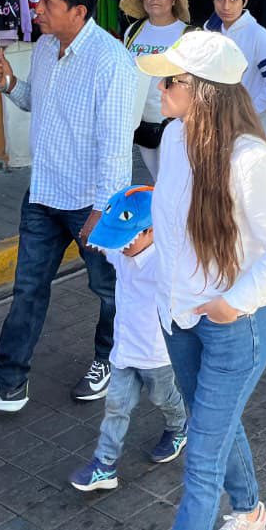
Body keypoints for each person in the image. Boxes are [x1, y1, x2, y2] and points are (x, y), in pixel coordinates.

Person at [135, 31, 266, 530]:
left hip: (234, 326)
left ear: (203, 91)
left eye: (172, 80)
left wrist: (233, 302)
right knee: (219, 427)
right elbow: (178, 211)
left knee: (201, 461)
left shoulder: (252, 161)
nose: (160, 88)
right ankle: (251, 511)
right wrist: (149, 233)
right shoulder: (178, 137)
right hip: (180, 318)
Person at [0, 0, 137, 411]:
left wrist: (103, 211)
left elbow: (115, 147)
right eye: (38, 0)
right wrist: (10, 84)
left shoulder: (112, 62)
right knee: (28, 287)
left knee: (108, 289)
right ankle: (8, 382)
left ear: (78, 9)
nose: (38, 9)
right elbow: (39, 102)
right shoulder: (48, 48)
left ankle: (110, 359)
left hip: (90, 199)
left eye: (47, 2)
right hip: (44, 193)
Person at [69, 186, 188, 492]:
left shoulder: (165, 263)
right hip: (122, 351)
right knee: (115, 407)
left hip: (156, 355)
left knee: (163, 397)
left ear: (151, 231)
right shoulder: (123, 252)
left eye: (126, 240)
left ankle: (179, 426)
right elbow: (104, 245)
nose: (120, 247)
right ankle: (104, 464)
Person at [120, 0, 193, 179]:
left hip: (175, 124)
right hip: (140, 120)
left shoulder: (188, 34)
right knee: (157, 178)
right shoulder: (133, 31)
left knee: (176, 180)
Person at [203, 0, 266, 130]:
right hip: (215, 119)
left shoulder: (258, 35)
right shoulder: (210, 29)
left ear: (244, 1)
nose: (226, 6)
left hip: (248, 125)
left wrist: (249, 112)